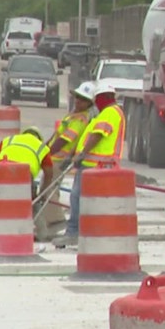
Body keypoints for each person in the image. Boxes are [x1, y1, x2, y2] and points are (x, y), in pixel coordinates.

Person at [59, 82, 126, 246]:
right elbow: (87, 135)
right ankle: (84, 231)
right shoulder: (104, 113)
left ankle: (74, 232)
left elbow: (97, 136)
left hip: (96, 165)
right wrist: (72, 154)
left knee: (77, 197)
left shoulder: (110, 113)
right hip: (93, 164)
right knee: (85, 199)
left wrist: (82, 154)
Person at [47, 81, 95, 168]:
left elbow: (63, 140)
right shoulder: (73, 114)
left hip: (59, 160)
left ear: (90, 104)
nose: (79, 101)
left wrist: (46, 153)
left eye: (84, 99)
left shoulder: (80, 120)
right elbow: (57, 134)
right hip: (53, 157)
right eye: (78, 97)